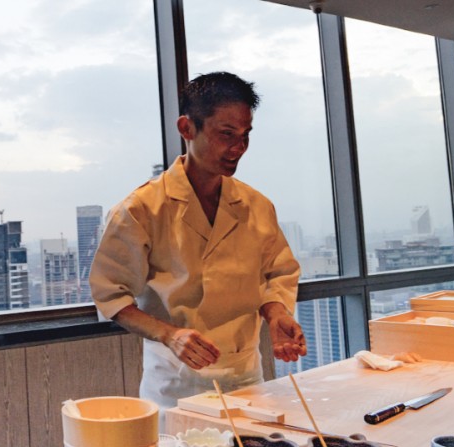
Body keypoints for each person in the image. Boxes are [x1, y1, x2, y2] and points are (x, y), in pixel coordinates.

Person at [90, 71, 306, 412]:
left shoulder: (256, 205)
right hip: (176, 384)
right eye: (226, 134)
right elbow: (111, 296)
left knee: (250, 446)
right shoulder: (141, 209)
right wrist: (169, 334)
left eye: (245, 135)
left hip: (245, 375)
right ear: (187, 128)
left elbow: (277, 273)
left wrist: (276, 313)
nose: (238, 147)